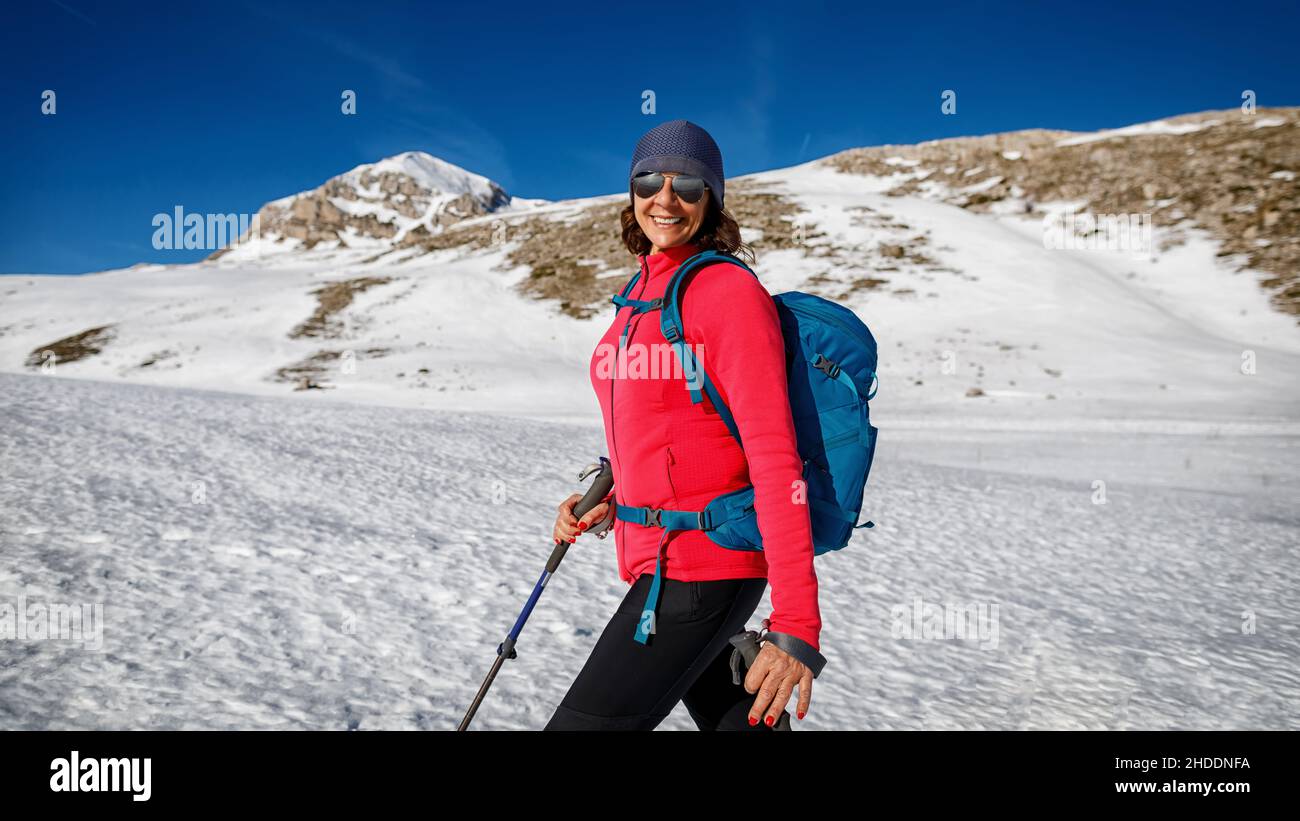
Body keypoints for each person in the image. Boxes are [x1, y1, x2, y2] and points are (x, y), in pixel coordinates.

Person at [544, 119, 826, 731]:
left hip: (704, 567)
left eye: (688, 184)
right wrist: (612, 497)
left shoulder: (726, 292)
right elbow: (674, 433)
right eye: (649, 179)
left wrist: (797, 625)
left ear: (712, 198)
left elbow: (775, 458)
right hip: (661, 560)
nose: (664, 199)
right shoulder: (637, 296)